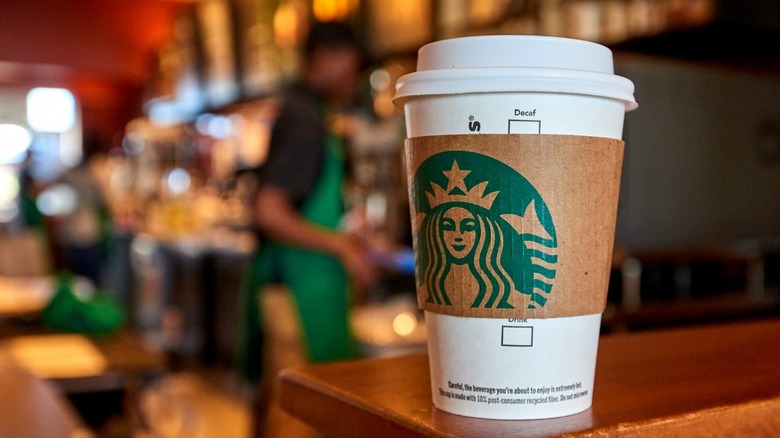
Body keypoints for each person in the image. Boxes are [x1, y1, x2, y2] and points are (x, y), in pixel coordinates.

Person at [237, 20, 380, 437]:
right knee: (297, 418)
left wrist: (349, 239)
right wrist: (342, 247)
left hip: (303, 287)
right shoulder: (303, 119)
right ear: (325, 57)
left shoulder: (305, 112)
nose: (354, 78)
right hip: (296, 297)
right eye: (352, 66)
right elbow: (269, 210)